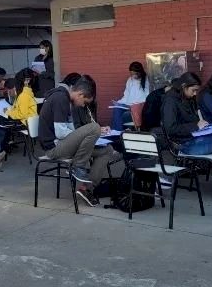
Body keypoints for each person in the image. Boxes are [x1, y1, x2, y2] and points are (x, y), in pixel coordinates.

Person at [38, 77, 118, 206]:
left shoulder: (66, 100)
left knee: (106, 150)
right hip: (54, 148)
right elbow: (60, 132)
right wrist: (86, 134)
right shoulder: (60, 98)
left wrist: (85, 136)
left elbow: (70, 129)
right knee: (94, 127)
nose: (83, 105)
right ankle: (78, 166)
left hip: (64, 144)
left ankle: (87, 189)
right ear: (80, 94)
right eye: (85, 102)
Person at [110, 61, 151, 131]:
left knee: (131, 109)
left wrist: (135, 104)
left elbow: (148, 97)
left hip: (139, 105)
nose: (132, 76)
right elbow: (126, 95)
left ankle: (118, 131)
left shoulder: (146, 80)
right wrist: (118, 103)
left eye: (134, 74)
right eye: (131, 73)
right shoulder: (130, 80)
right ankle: (117, 132)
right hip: (128, 104)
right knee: (116, 109)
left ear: (139, 72)